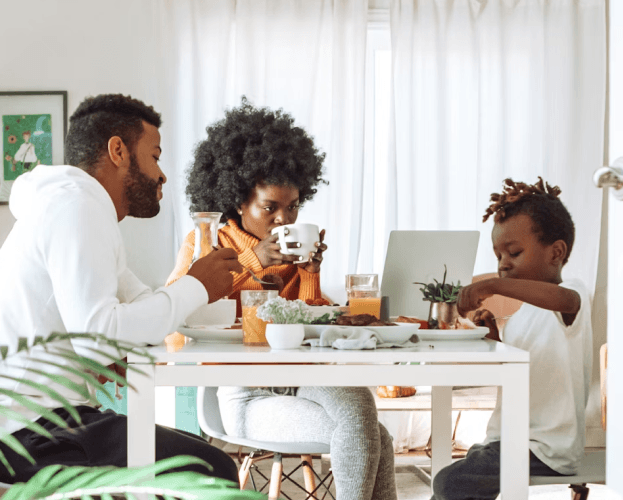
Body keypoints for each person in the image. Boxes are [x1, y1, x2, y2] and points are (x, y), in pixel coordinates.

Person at [0, 94, 242, 484]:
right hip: (32, 433)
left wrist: (195, 288)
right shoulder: (76, 207)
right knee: (210, 470)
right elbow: (100, 337)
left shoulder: (76, 208)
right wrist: (197, 284)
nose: (162, 174)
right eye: (155, 156)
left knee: (200, 453)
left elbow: (139, 305)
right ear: (118, 151)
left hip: (43, 423)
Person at [167, 98, 397, 500]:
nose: (283, 221)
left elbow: (308, 327)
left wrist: (309, 276)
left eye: (292, 208)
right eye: (270, 208)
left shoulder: (294, 254)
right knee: (373, 436)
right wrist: (253, 261)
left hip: (303, 377)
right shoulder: (207, 245)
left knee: (361, 405)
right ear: (238, 201)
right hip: (243, 392)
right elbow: (178, 319)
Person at [431, 178, 593, 500]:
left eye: (514, 252)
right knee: (453, 484)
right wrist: (492, 333)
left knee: (450, 483)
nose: (503, 264)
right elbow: (510, 373)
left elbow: (563, 301)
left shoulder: (573, 293)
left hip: (546, 449)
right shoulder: (521, 316)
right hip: (506, 440)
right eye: (498, 255)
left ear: (556, 252)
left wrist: (492, 286)